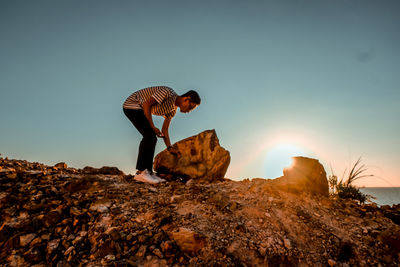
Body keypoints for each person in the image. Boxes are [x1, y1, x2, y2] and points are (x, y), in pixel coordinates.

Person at [123, 86, 201, 184]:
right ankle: (141, 172)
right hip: (133, 105)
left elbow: (165, 129)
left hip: (141, 109)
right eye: (191, 107)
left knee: (151, 136)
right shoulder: (167, 92)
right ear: (186, 99)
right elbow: (147, 104)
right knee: (150, 136)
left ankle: (148, 173)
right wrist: (152, 126)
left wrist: (169, 147)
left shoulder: (172, 110)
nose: (189, 111)